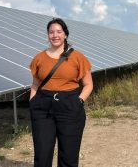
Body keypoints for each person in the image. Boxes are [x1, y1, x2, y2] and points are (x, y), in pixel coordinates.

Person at [29, 18, 93, 167]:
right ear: (48, 35)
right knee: (42, 154)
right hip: (43, 108)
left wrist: (79, 101)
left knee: (68, 156)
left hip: (69, 106)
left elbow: (88, 85)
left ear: (65, 34)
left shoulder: (78, 57)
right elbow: (35, 84)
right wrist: (33, 102)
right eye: (51, 32)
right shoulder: (39, 58)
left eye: (59, 31)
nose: (55, 35)